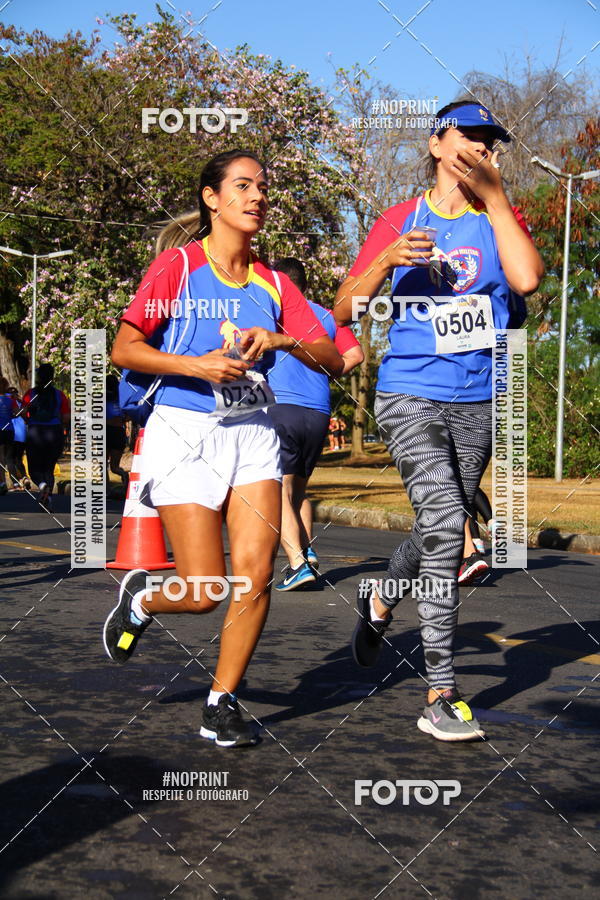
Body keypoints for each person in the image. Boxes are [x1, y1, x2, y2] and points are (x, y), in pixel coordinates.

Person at [104, 149, 344, 748]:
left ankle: (221, 702)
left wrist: (282, 339)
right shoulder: (178, 267)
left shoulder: (274, 283)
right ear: (212, 198)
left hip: (254, 431)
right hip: (186, 432)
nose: (257, 196)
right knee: (205, 591)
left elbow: (334, 358)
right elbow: (125, 349)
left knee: (256, 575)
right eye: (243, 185)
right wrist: (197, 365)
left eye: (262, 187)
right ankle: (144, 600)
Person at [334, 100, 543, 742]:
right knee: (450, 524)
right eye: (468, 135)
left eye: (489, 139)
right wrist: (386, 261)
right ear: (436, 143)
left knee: (436, 530)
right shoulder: (400, 218)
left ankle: (380, 598)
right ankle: (441, 696)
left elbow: (527, 281)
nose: (480, 146)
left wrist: (498, 197)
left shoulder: (498, 216)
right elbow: (344, 309)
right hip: (410, 392)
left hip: (479, 398)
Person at [266, 257, 364, 591]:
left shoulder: (271, 312)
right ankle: (306, 552)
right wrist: (330, 372)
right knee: (297, 490)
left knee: (275, 490)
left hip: (280, 407)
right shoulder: (326, 316)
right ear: (305, 284)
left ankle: (297, 563)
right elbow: (356, 355)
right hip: (318, 412)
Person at [22, 364, 70, 510]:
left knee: (34, 469)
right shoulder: (59, 395)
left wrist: (29, 418)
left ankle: (42, 486)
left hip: (35, 432)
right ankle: (48, 498)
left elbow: (22, 412)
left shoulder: (30, 394)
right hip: (54, 433)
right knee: (49, 468)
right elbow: (66, 417)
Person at [106, 374, 129, 487]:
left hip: (106, 431)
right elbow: (129, 416)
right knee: (114, 467)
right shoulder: (122, 399)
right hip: (119, 432)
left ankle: (105, 489)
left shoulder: (102, 398)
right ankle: (124, 476)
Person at [5, 386, 29, 490]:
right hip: (22, 435)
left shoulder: (5, 401)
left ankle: (15, 483)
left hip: (10, 433)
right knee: (18, 459)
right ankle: (25, 477)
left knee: (9, 459)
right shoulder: (20, 403)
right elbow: (26, 417)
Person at [0, 376, 17, 489]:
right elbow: (17, 413)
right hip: (9, 430)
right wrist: (10, 415)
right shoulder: (11, 401)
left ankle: (2, 483)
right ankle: (15, 482)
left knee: (0, 458)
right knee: (9, 458)